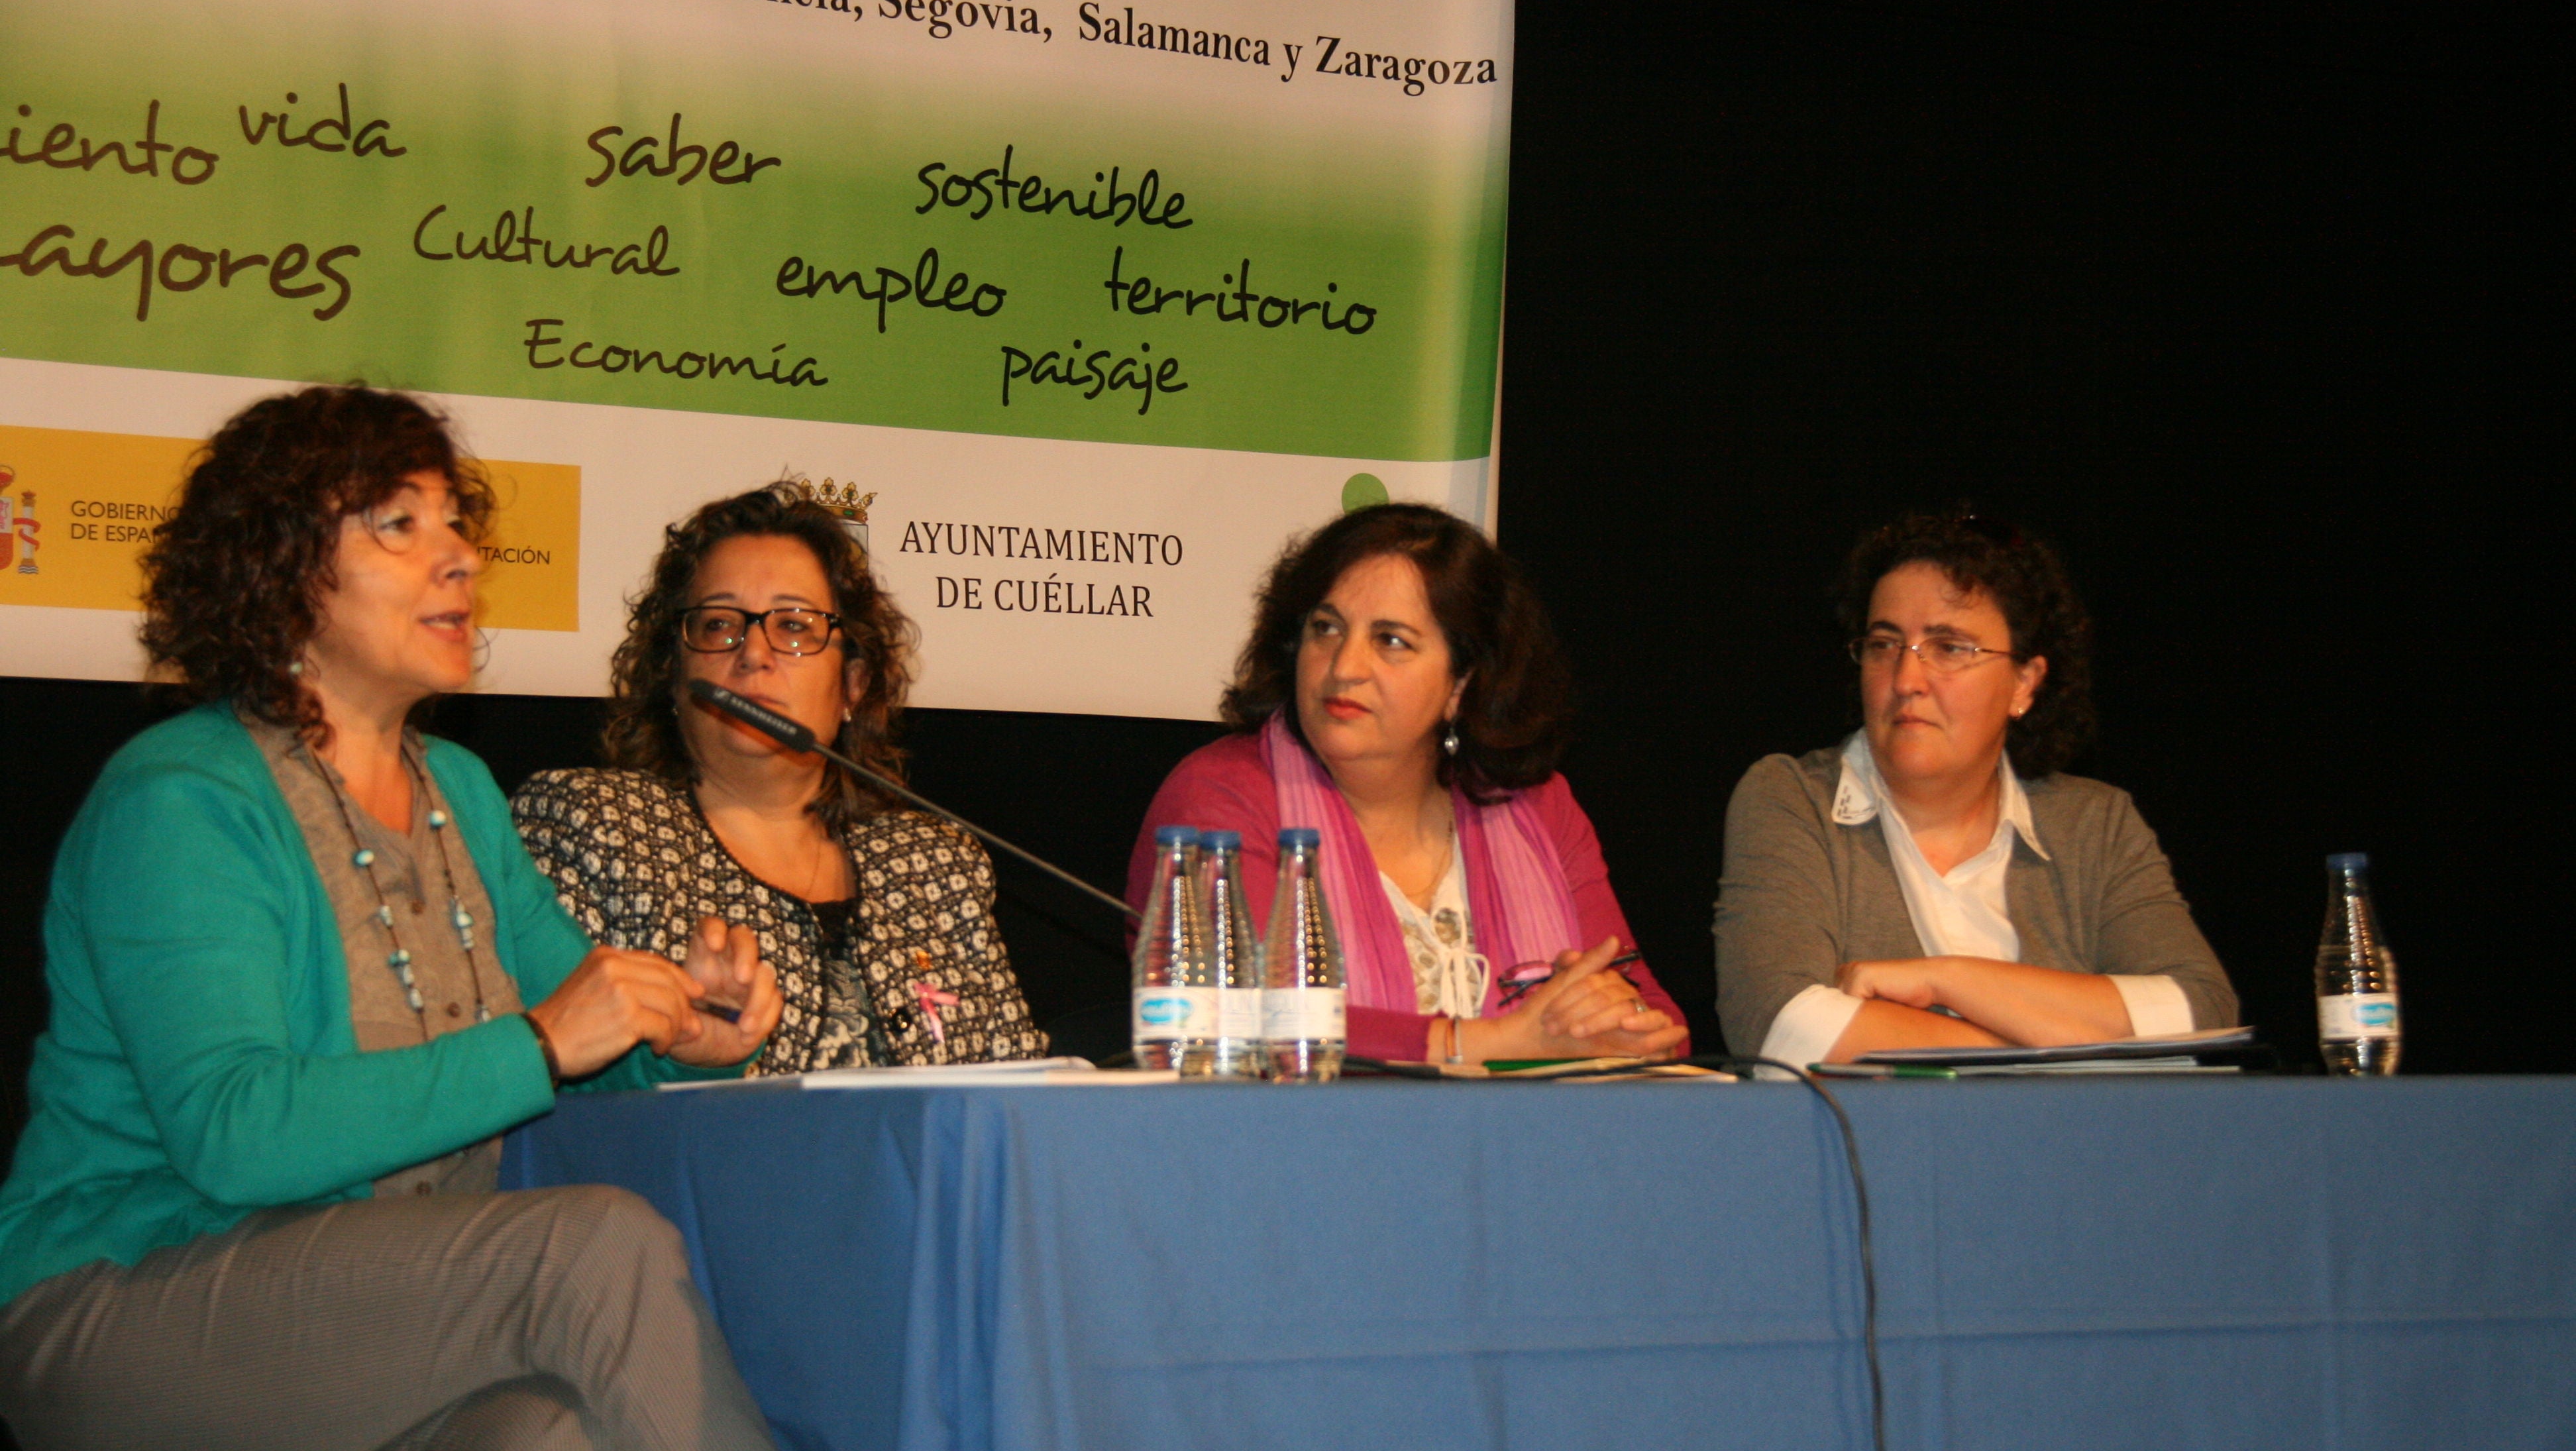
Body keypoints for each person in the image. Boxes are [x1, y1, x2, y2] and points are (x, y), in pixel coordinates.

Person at [0, 387, 877, 1451]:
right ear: (283, 569)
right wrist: (542, 1039)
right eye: (398, 525)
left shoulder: (458, 791)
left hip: (349, 1325)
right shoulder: (183, 799)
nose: (460, 552)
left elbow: (584, 1041)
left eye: (456, 522)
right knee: (593, 1250)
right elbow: (236, 1131)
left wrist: (687, 1036)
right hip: (122, 1327)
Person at [1131, 502, 1684, 1064]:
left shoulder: (1537, 807)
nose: (1344, 666)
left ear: (1461, 683)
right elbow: (1234, 1018)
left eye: (1391, 640)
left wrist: (1619, 1017)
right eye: (1326, 628)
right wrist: (1491, 1043)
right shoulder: (1221, 796)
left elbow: (1664, 1027)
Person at [513, 484, 1040, 1071]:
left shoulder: (935, 866)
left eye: (794, 626)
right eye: (718, 626)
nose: (754, 654)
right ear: (673, 676)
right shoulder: (595, 826)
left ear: (853, 686)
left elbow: (1020, 1090)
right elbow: (554, 1081)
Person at [1715, 510, 2236, 1068]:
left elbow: (2200, 1013)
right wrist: (2045, 1053)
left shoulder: (2093, 823)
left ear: (2024, 683)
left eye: (1950, 648)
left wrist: (1948, 981)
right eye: (1885, 644)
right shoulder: (1794, 799)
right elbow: (1779, 1023)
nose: (1906, 680)